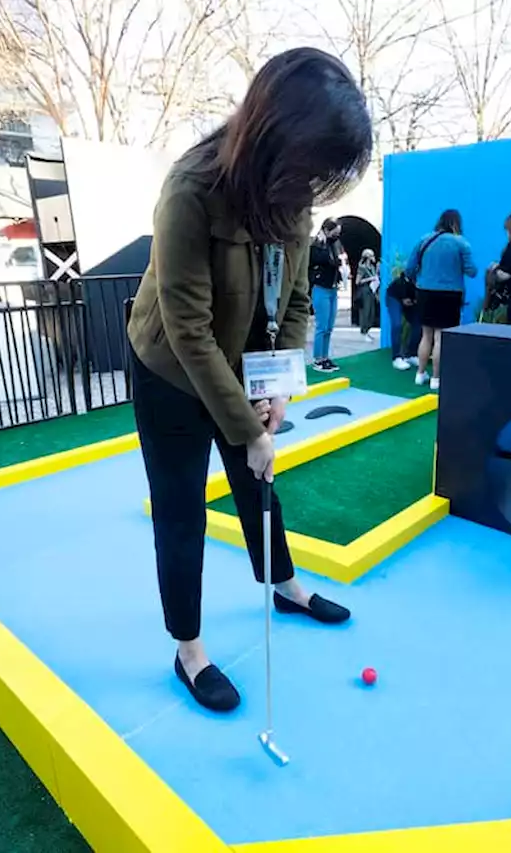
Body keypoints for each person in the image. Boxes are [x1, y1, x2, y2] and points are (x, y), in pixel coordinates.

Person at [125, 47, 371, 712]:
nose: (316, 184)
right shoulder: (190, 191)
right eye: (314, 163)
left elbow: (292, 304)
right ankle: (189, 649)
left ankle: (284, 585)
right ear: (276, 135)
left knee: (259, 484)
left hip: (241, 358)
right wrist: (246, 428)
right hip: (171, 367)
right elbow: (188, 330)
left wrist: (278, 388)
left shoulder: (291, 197)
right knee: (181, 508)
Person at [405, 209, 476, 390]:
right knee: (440, 337)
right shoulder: (461, 243)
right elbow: (472, 271)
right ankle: (436, 379)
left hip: (425, 293)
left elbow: (409, 268)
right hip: (449, 295)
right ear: (456, 223)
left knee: (426, 335)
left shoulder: (424, 240)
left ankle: (420, 374)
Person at [309, 217, 343, 372]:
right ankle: (318, 359)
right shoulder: (317, 246)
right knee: (322, 326)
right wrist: (322, 241)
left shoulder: (334, 245)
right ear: (326, 230)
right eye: (334, 232)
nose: (336, 236)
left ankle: (325, 356)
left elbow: (337, 261)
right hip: (321, 287)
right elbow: (319, 260)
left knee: (329, 326)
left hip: (332, 288)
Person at [355, 248, 379, 340]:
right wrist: (370, 279)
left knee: (372, 312)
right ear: (368, 257)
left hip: (371, 290)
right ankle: (364, 331)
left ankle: (368, 330)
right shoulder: (362, 268)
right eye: (372, 256)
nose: (374, 257)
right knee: (366, 311)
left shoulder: (372, 267)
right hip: (365, 291)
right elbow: (357, 281)